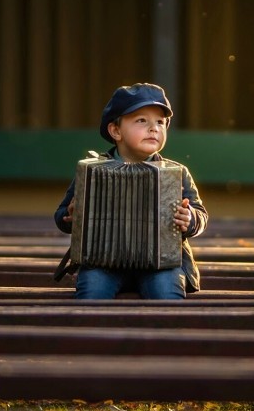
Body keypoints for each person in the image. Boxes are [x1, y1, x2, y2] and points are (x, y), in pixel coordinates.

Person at [54, 82, 208, 299]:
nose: (154, 127)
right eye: (141, 120)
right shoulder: (91, 172)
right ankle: (91, 332)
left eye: (160, 122)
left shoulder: (176, 173)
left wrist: (190, 219)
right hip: (103, 262)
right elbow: (61, 215)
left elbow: (200, 214)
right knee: (92, 290)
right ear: (115, 130)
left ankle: (168, 333)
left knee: (167, 293)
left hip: (160, 264)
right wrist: (70, 216)